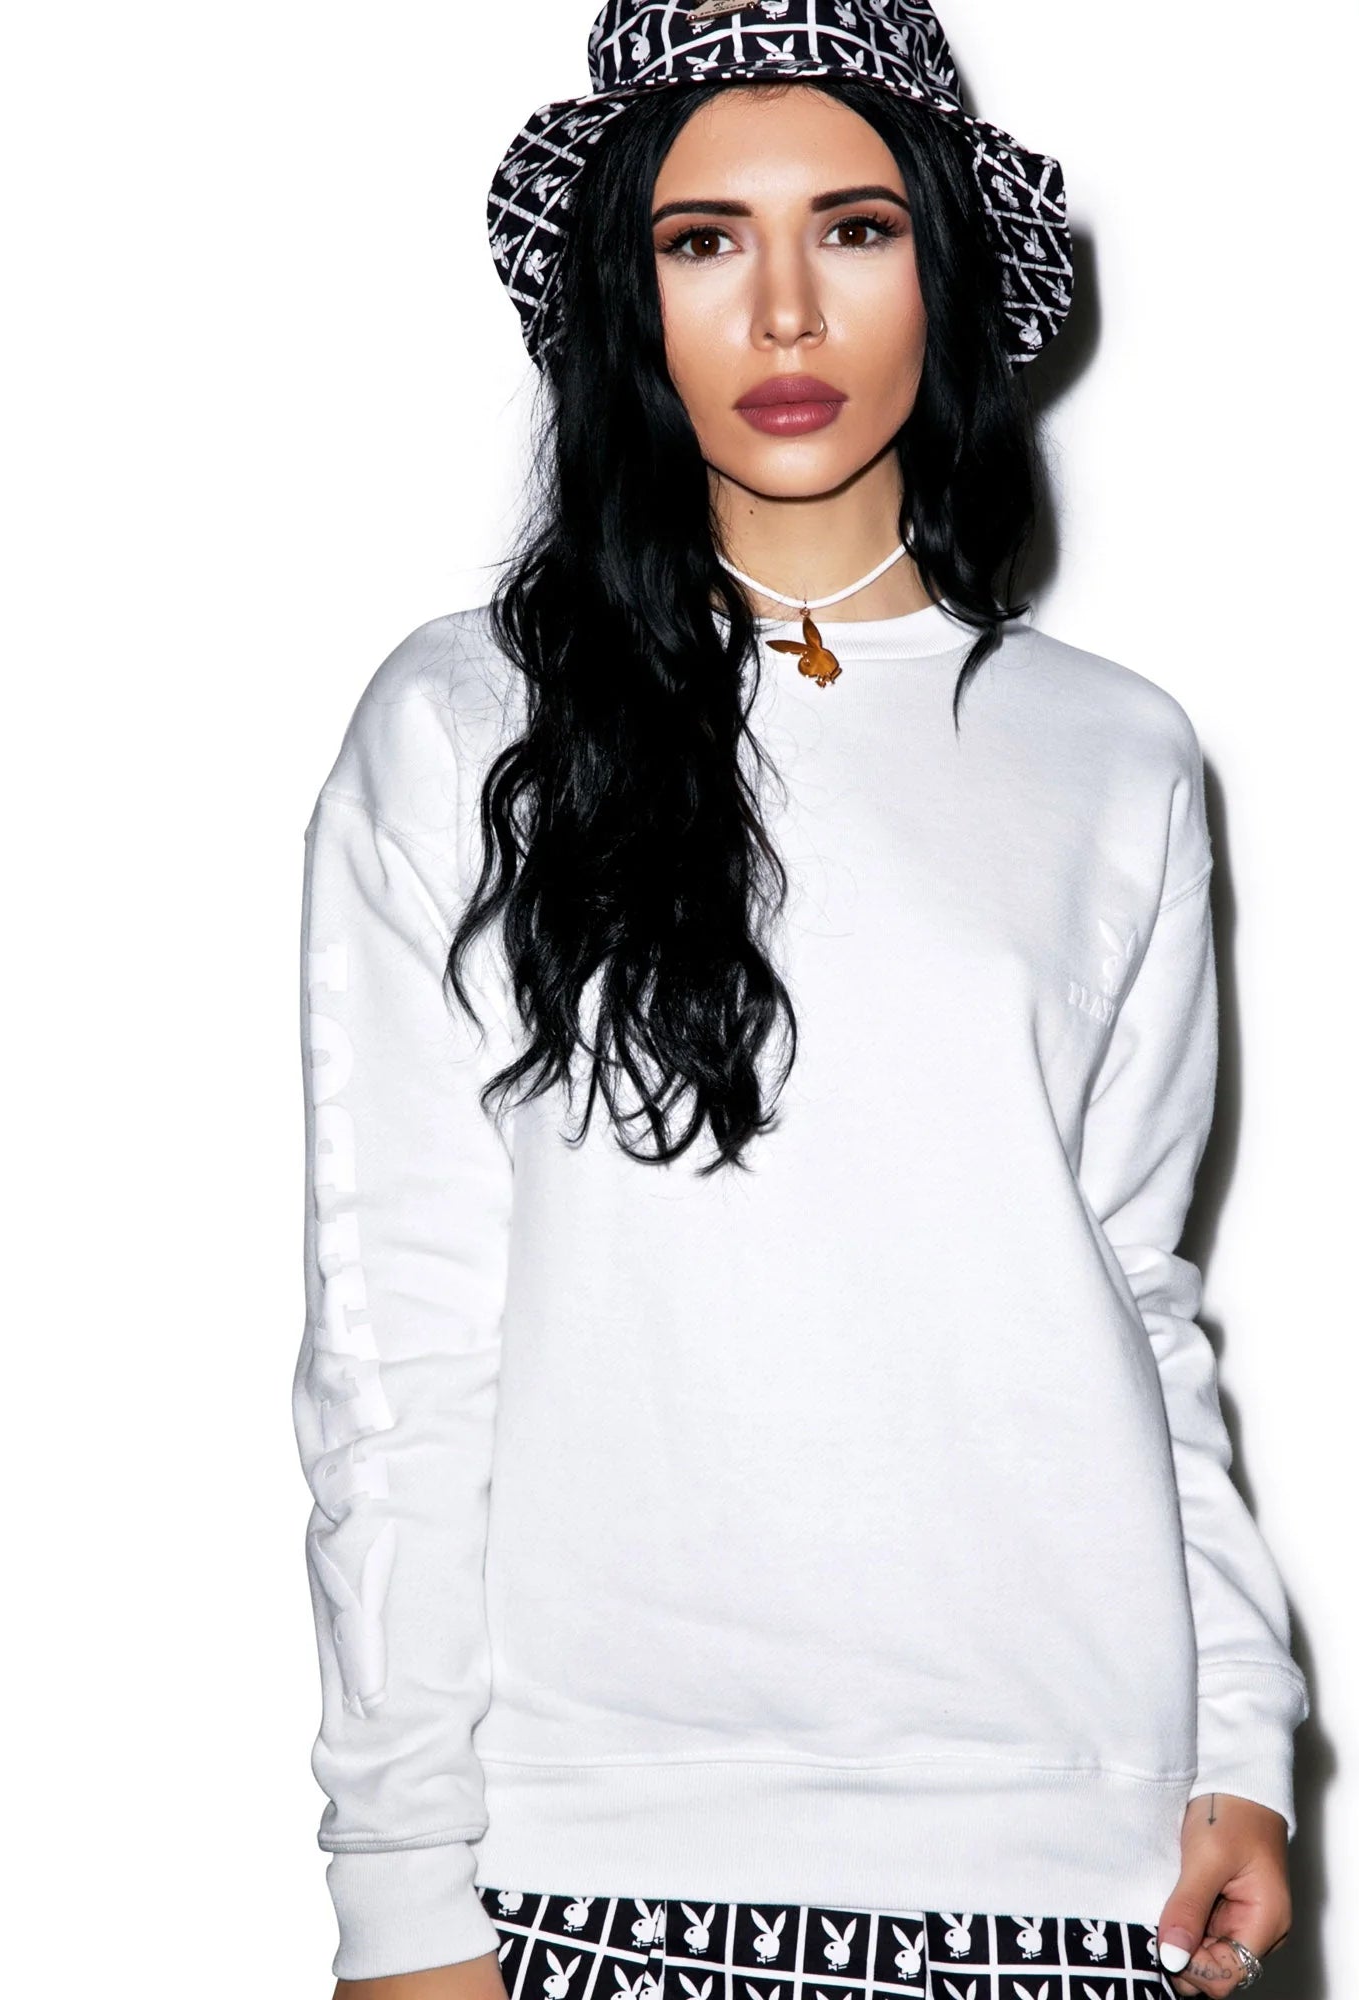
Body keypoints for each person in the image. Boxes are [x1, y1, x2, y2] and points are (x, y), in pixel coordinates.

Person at [293, 5, 1310, 1998]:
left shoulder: (1114, 752)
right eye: (702, 241)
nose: (781, 311)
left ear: (943, 269)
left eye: (851, 229)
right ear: (627, 298)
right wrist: (399, 1876)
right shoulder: (464, 722)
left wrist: (1234, 1738)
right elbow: (396, 1338)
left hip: (1081, 1852)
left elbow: (1134, 1292)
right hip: (604, 1865)